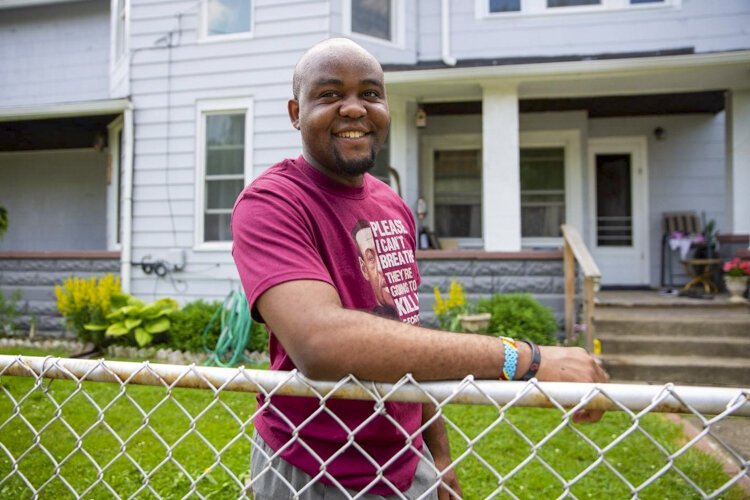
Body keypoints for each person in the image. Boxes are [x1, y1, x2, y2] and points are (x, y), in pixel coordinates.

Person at [231, 37, 608, 500]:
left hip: (407, 464)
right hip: (312, 466)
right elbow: (319, 341)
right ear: (295, 113)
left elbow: (404, 332)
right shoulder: (272, 202)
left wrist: (439, 454)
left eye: (370, 94)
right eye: (330, 95)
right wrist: (523, 358)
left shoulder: (391, 205)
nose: (354, 109)